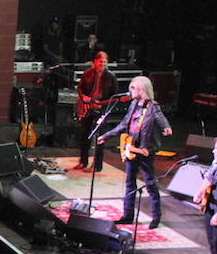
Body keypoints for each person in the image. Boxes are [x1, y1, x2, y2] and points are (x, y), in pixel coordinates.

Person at [98, 76, 173, 229]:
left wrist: (166, 127)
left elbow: (160, 117)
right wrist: (106, 136)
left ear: (142, 89)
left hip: (145, 150)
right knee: (129, 182)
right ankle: (127, 215)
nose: (130, 91)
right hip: (131, 148)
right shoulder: (133, 105)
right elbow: (124, 124)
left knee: (150, 183)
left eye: (133, 88)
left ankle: (156, 216)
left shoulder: (152, 106)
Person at [74, 51, 117, 172]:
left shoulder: (111, 77)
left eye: (104, 62)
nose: (102, 64)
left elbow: (114, 96)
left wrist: (104, 105)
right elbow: (80, 88)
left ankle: (97, 165)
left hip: (101, 109)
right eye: (100, 61)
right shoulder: (87, 73)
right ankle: (83, 161)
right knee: (84, 134)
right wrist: (84, 98)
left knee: (99, 137)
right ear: (95, 62)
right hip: (87, 107)